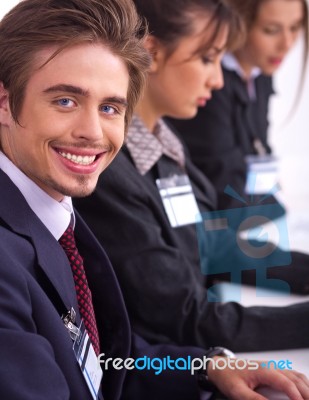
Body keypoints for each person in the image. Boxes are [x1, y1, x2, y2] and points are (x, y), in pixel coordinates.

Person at [2, 1, 308, 400]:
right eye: (65, 101)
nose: (92, 131)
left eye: (110, 107)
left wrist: (204, 367)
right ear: (4, 102)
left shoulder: (55, 216)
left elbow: (104, 363)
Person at [74, 0, 309, 357]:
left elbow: (208, 243)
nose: (217, 79)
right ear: (152, 52)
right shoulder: (108, 174)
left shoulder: (162, 140)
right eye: (206, 58)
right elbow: (183, 316)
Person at [168, 0, 308, 211]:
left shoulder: (260, 73)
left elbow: (259, 150)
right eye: (271, 30)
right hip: (219, 220)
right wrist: (273, 208)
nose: (286, 44)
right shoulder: (209, 89)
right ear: (238, 23)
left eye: (295, 27)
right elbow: (223, 186)